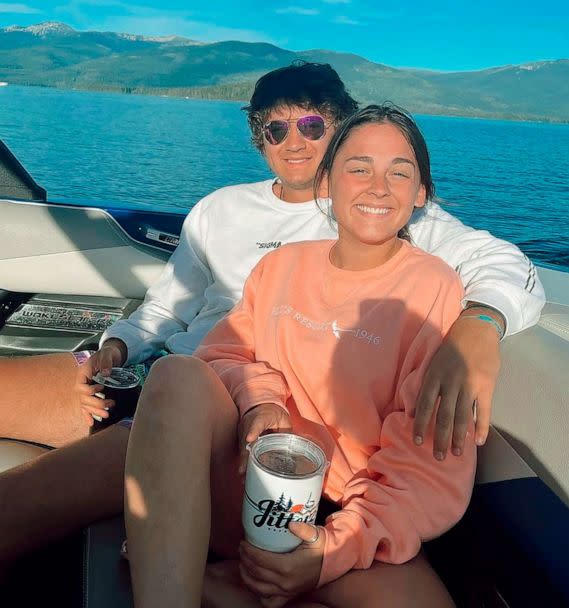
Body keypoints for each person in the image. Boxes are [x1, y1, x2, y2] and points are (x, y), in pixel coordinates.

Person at [0, 62, 543, 563]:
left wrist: (479, 325)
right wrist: (114, 348)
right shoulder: (221, 209)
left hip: (222, 411)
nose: (295, 141)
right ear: (259, 140)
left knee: (17, 509)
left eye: (311, 123)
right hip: (149, 371)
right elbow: (167, 306)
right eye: (275, 129)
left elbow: (506, 264)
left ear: (341, 127)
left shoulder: (371, 209)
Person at [124, 103, 477, 607]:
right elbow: (221, 353)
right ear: (327, 182)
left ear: (420, 194)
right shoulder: (281, 266)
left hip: (348, 512)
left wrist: (329, 551)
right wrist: (260, 400)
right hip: (249, 483)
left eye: (399, 173)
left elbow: (426, 464)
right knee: (176, 372)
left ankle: (212, 576)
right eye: (358, 168)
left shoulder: (433, 289)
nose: (379, 187)